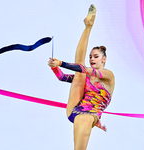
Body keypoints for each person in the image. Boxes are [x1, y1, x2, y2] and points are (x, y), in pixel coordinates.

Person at [48, 4, 115, 150]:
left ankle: (88, 25)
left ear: (103, 59)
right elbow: (62, 77)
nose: (92, 59)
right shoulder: (85, 75)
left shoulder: (108, 76)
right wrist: (55, 68)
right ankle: (88, 26)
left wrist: (61, 63)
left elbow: (86, 69)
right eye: (90, 56)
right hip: (75, 109)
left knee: (82, 70)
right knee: (80, 74)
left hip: (91, 114)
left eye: (96, 57)